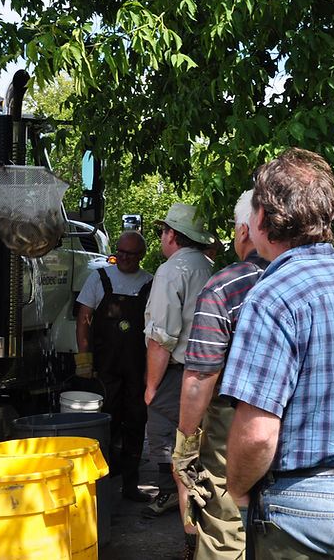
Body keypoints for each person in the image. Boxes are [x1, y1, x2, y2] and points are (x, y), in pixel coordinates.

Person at [220, 149, 334, 560]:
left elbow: (258, 433)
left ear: (262, 219)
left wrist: (236, 492)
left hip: (295, 511)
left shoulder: (271, 296)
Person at [174, 190, 269, 560]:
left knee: (226, 530)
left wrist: (184, 448)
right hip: (299, 445)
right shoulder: (313, 283)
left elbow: (200, 377)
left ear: (245, 230)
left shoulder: (226, 287)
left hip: (233, 439)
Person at [143, 203, 215, 524]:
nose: (161, 237)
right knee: (203, 452)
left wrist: (151, 387)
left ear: (172, 234)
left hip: (176, 376)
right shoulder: (211, 268)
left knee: (179, 458)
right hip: (210, 373)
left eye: (163, 231)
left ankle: (191, 534)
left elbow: (161, 337)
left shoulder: (172, 270)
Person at [75, 231, 154, 502]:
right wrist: (84, 361)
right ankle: (99, 489)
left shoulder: (149, 284)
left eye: (130, 254)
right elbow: (83, 319)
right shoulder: (99, 278)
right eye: (120, 252)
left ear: (141, 256)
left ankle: (131, 486)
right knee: (103, 427)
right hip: (104, 370)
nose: (123, 258)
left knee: (135, 424)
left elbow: (155, 330)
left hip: (136, 370)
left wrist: (150, 372)